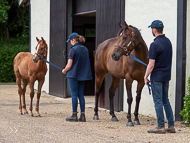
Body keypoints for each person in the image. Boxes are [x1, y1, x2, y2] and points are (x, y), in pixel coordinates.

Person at [144, 20, 175, 134]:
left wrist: (145, 76)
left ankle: (160, 126)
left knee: (158, 101)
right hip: (166, 76)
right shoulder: (168, 42)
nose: (152, 30)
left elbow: (151, 64)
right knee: (165, 100)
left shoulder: (154, 44)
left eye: (152, 29)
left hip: (157, 77)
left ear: (154, 30)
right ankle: (171, 126)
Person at [62, 32, 93, 122]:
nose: (70, 43)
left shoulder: (73, 50)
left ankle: (74, 115)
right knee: (81, 95)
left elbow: (69, 65)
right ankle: (83, 115)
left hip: (73, 75)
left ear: (73, 40)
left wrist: (64, 70)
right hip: (82, 75)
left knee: (74, 95)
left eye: (70, 41)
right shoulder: (85, 49)